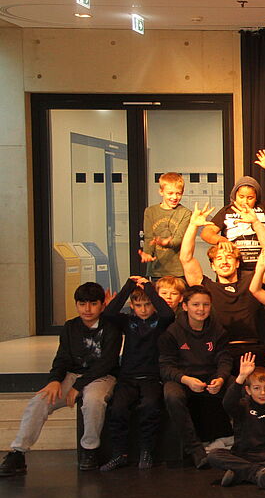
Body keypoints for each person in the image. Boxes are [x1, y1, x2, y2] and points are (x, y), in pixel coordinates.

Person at [0, 283, 118, 477]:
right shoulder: (70, 327)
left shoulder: (111, 328)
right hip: (72, 375)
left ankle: (89, 450)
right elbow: (62, 358)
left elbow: (106, 363)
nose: (87, 309)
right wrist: (54, 380)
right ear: (76, 305)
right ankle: (18, 453)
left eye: (93, 304)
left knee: (93, 401)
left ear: (102, 305)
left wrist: (78, 387)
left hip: (101, 377)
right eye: (82, 304)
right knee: (40, 401)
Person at [98, 276, 175, 471]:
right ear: (132, 306)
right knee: (118, 409)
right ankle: (119, 454)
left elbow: (168, 313)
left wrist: (149, 288)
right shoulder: (127, 321)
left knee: (150, 407)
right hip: (128, 377)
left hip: (151, 377)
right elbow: (108, 313)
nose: (143, 309)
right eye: (138, 305)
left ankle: (146, 451)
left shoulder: (160, 321)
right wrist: (128, 287)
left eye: (147, 305)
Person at [180, 203, 265, 358]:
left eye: (229, 257)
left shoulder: (252, 282)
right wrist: (192, 226)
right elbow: (186, 258)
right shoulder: (206, 288)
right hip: (219, 352)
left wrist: (256, 223)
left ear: (237, 263)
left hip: (254, 350)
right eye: (219, 259)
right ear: (213, 266)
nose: (224, 262)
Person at [158, 285, 234, 469]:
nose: (201, 309)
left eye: (206, 305)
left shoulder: (218, 330)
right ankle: (194, 449)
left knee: (238, 386)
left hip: (211, 377)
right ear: (185, 306)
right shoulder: (172, 332)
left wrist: (221, 378)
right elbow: (166, 367)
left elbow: (225, 360)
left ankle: (243, 442)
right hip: (183, 379)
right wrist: (186, 379)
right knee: (172, 395)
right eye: (196, 304)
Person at [207, 352, 265, 488]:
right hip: (245, 455)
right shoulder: (241, 406)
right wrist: (241, 377)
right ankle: (260, 472)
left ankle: (241, 473)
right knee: (213, 455)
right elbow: (227, 403)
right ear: (248, 390)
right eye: (257, 388)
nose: (263, 393)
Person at [202, 151, 265, 273]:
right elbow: (206, 233)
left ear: (256, 198)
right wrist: (221, 240)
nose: (245, 201)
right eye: (241, 197)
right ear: (235, 195)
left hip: (260, 268)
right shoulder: (227, 211)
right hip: (233, 268)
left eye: (250, 198)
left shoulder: (262, 209)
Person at [140, 171, 189, 278]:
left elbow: (179, 238)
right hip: (156, 270)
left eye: (178, 193)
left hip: (177, 271)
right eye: (170, 193)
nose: (174, 197)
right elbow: (149, 237)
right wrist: (147, 253)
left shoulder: (185, 213)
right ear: (161, 192)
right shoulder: (150, 211)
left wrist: (166, 242)